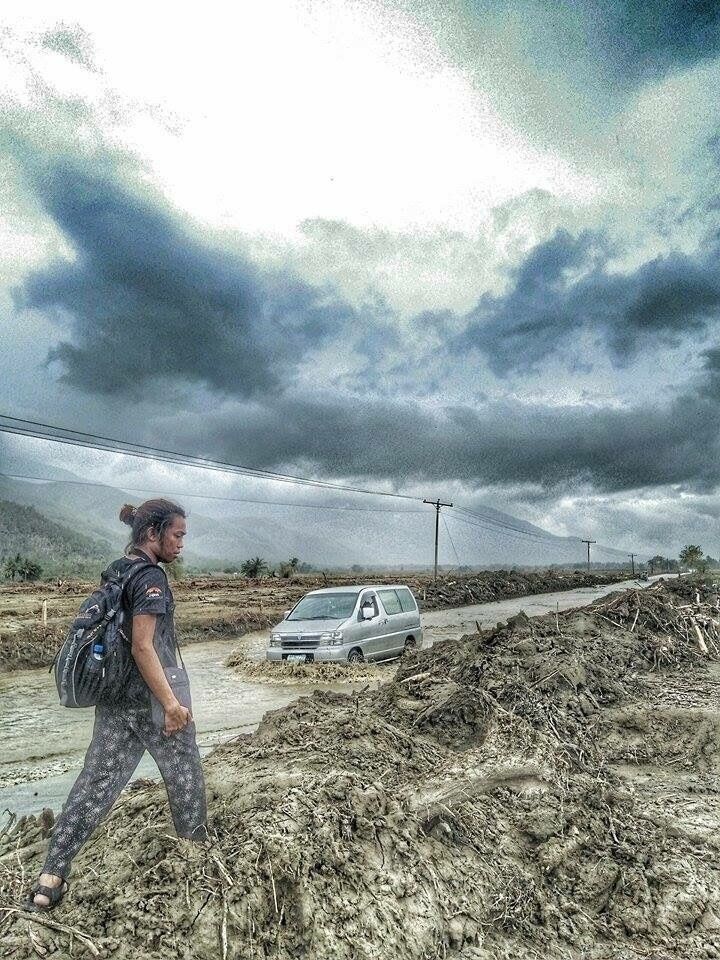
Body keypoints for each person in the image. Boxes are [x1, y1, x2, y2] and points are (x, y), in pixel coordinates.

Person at [25, 498, 208, 911]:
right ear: (152, 533)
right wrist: (172, 705)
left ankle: (50, 876)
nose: (182, 542)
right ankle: (197, 860)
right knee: (185, 779)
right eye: (177, 534)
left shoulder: (117, 570)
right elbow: (144, 647)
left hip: (113, 701)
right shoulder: (151, 579)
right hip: (153, 700)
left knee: (94, 786)